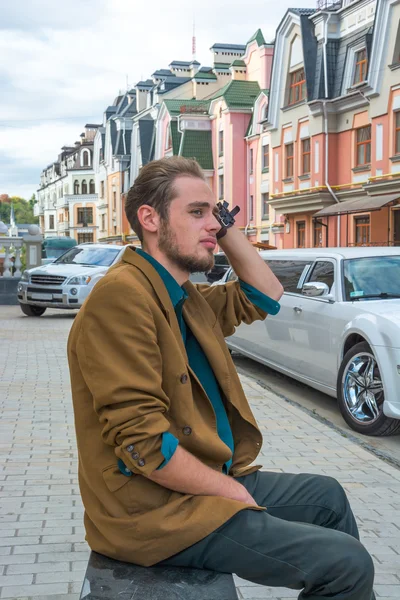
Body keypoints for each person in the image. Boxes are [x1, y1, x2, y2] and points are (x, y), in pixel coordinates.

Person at [67, 157, 375, 600]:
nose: (212, 224)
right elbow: (144, 446)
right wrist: (231, 491)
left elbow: (264, 293)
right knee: (346, 564)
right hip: (154, 511)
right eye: (197, 213)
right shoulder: (121, 298)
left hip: (197, 481)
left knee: (327, 497)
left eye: (216, 213)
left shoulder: (183, 295)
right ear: (149, 219)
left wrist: (222, 228)